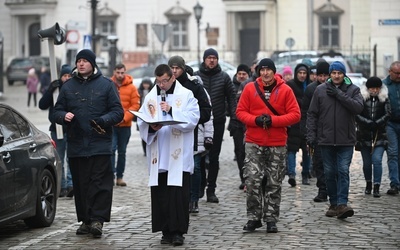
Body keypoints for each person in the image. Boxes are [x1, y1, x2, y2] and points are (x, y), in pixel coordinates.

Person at [53, 49, 124, 238]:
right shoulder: (68, 87)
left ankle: (97, 220)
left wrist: (103, 120)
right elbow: (56, 111)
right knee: (81, 184)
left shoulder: (107, 85)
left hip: (100, 144)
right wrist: (63, 116)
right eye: (79, 61)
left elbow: (118, 112)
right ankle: (85, 220)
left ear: (92, 63)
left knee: (100, 184)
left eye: (85, 60)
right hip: (77, 145)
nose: (81, 64)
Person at [137, 64, 200, 246]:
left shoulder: (186, 95)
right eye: (159, 81)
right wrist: (150, 127)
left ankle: (178, 231)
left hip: (178, 155)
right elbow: (142, 121)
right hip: (159, 152)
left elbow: (193, 119)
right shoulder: (150, 97)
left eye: (165, 81)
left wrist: (172, 110)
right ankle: (165, 231)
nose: (162, 85)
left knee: (178, 195)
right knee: (161, 194)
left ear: (173, 77)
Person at [236, 58, 300, 233]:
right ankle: (253, 218)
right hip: (254, 142)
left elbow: (295, 115)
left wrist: (274, 120)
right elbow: (240, 112)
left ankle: (271, 218)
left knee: (274, 182)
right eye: (262, 70)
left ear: (274, 71)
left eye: (268, 70)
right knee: (253, 180)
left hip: (276, 143)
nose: (265, 73)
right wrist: (255, 120)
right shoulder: (250, 89)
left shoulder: (285, 90)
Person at [307, 61, 363, 219]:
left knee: (343, 170)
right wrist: (311, 135)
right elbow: (312, 114)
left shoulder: (353, 89)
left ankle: (342, 204)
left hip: (346, 140)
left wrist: (339, 95)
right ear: (330, 75)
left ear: (344, 74)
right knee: (330, 172)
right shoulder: (320, 90)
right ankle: (333, 203)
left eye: (339, 73)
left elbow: (358, 107)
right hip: (326, 140)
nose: (336, 76)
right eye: (334, 73)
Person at [167, 55, 212, 214]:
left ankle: (193, 199)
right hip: (169, 135)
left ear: (183, 68)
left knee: (194, 167)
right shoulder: (165, 84)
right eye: (171, 68)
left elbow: (206, 111)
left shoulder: (194, 86)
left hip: (191, 134)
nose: (174, 71)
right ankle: (179, 199)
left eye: (177, 68)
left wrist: (190, 120)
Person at [194, 48, 237, 203]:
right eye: (209, 58)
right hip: (200, 122)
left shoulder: (224, 77)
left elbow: (232, 97)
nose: (211, 60)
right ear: (204, 60)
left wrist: (234, 117)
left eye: (214, 58)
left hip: (218, 121)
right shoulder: (196, 77)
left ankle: (211, 189)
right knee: (199, 155)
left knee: (214, 157)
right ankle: (200, 184)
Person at [39, 64, 74, 198]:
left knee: (71, 159)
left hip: (71, 129)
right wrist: (50, 90)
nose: (67, 78)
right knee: (59, 159)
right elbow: (42, 105)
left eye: (69, 76)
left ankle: (71, 185)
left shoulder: (74, 88)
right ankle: (62, 186)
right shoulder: (55, 90)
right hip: (57, 129)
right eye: (64, 76)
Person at [355, 76, 390, 198]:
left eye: (376, 88)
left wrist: (378, 123)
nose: (374, 90)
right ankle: (368, 183)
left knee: (377, 160)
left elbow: (388, 113)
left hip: (379, 135)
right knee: (366, 163)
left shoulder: (384, 99)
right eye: (372, 88)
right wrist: (368, 122)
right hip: (364, 135)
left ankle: (376, 186)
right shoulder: (361, 98)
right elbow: (357, 113)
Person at [301, 60, 330, 202]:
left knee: (331, 163)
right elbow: (306, 112)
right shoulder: (311, 89)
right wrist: (307, 132)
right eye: (320, 75)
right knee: (318, 162)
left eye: (326, 75)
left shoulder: (334, 88)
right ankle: (322, 190)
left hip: (331, 130)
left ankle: (333, 189)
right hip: (317, 131)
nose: (323, 78)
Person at [110, 63, 141, 187]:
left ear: (125, 72)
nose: (120, 75)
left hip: (125, 125)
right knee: (111, 150)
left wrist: (124, 118)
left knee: (122, 152)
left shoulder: (132, 87)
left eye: (122, 72)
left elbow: (135, 105)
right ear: (114, 72)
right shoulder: (109, 85)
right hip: (112, 124)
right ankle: (110, 175)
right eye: (118, 72)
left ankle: (119, 176)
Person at [285, 63, 312, 186]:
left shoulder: (310, 87)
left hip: (307, 122)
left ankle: (306, 174)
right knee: (291, 150)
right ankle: (291, 174)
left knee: (307, 151)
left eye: (304, 73)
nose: (302, 75)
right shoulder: (290, 85)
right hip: (293, 122)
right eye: (300, 73)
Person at [229, 64, 250, 190]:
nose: (241, 76)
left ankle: (249, 177)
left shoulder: (251, 85)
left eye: (244, 74)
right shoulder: (231, 86)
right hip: (236, 123)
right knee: (239, 152)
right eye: (239, 74)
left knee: (249, 151)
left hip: (248, 123)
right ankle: (243, 178)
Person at [383, 60, 400, 195]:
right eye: (397, 73)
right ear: (390, 72)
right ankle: (394, 183)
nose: (399, 76)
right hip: (390, 123)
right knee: (393, 153)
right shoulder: (384, 85)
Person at [137, 78, 154, 156]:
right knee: (143, 133)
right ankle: (145, 151)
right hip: (142, 114)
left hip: (151, 114)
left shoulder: (153, 92)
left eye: (147, 84)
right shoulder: (139, 92)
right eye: (144, 83)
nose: (146, 85)